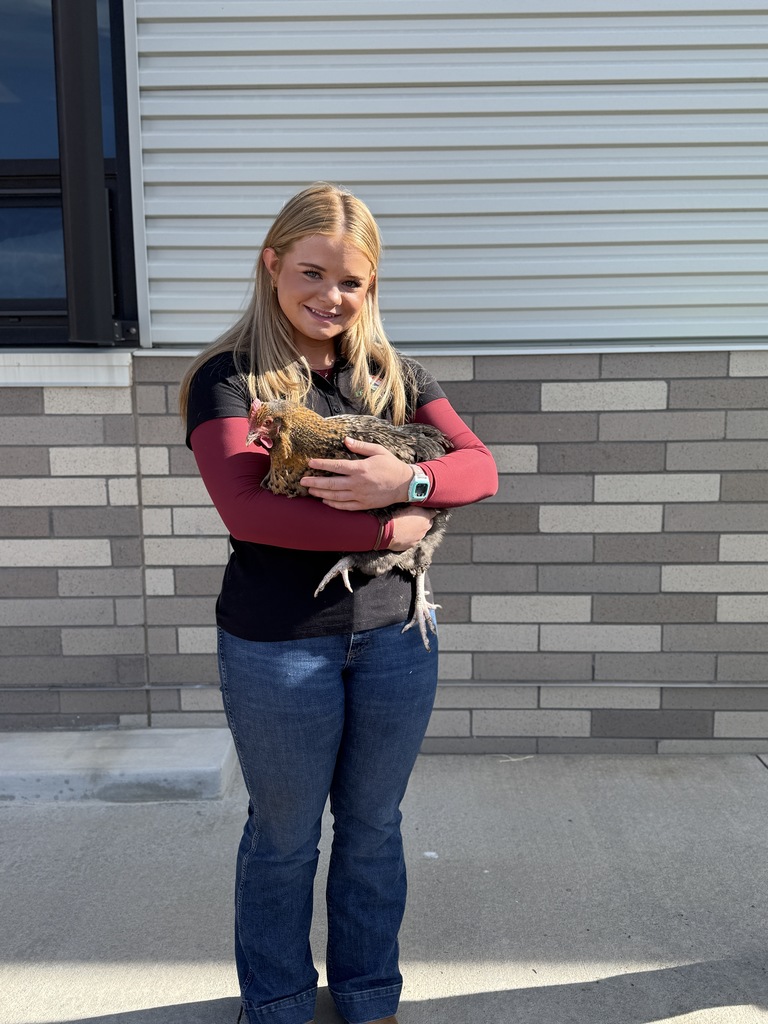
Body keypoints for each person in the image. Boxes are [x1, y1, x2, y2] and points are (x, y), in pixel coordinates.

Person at [179, 182, 498, 1024]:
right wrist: (393, 530)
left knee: (373, 830)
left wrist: (412, 480)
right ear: (273, 263)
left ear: (372, 285)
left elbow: (482, 469)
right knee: (284, 840)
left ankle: (366, 996)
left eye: (351, 281)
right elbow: (247, 510)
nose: (330, 296)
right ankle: (278, 1003)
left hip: (397, 639)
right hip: (277, 644)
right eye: (312, 273)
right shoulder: (230, 377)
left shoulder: (393, 375)